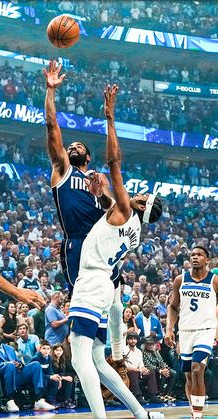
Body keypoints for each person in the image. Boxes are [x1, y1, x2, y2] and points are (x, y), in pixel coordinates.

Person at [69, 84, 163, 419]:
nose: (133, 194)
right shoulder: (133, 228)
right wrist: (103, 193)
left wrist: (110, 118)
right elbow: (112, 206)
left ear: (140, 204)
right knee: (96, 358)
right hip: (104, 287)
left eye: (138, 196)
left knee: (79, 358)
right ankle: (141, 413)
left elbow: (114, 161)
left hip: (92, 282)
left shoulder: (126, 207)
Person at [44, 60, 126, 365]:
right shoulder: (61, 169)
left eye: (80, 146)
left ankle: (114, 351)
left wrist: (101, 195)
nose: (73, 146)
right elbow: (52, 126)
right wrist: (50, 91)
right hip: (78, 245)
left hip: (102, 247)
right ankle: (79, 358)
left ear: (88, 157)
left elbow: (116, 212)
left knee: (117, 290)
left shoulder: (98, 181)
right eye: (71, 145)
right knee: (83, 330)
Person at [165, 246, 218, 419]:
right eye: (193, 255)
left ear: (207, 260)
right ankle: (194, 409)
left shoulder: (214, 280)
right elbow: (173, 307)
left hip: (205, 331)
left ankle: (197, 414)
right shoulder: (181, 280)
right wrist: (169, 330)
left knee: (197, 370)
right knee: (188, 374)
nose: (195, 257)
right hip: (185, 331)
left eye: (199, 255)